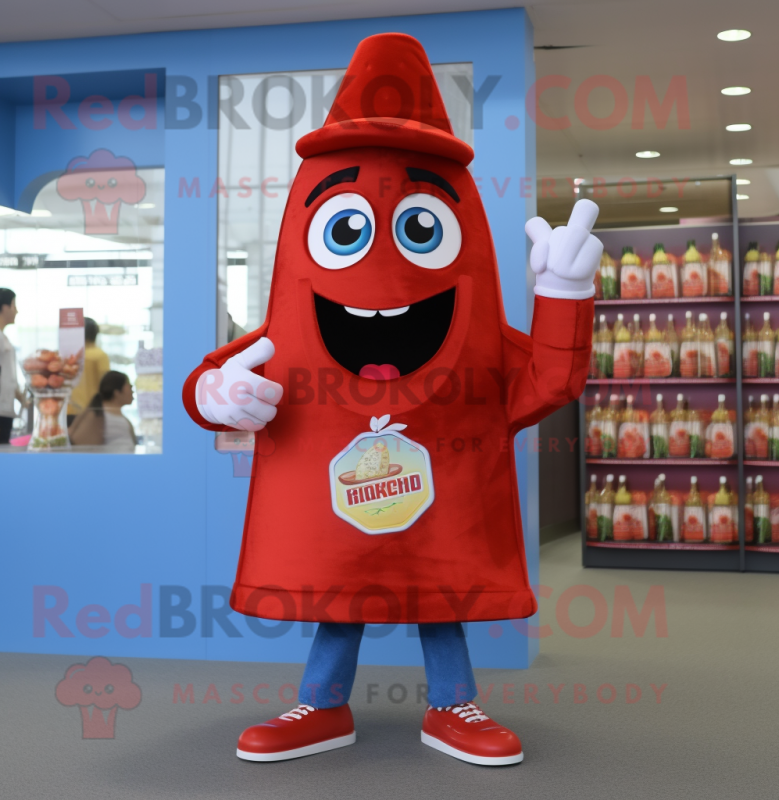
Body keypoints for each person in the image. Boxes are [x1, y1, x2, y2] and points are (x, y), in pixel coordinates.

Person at [182, 34, 599, 767]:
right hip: (335, 528)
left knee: (440, 600)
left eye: (419, 228)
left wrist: (563, 296)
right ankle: (322, 704)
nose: (379, 267)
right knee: (340, 601)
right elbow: (216, 374)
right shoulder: (288, 336)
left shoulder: (482, 345)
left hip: (442, 521)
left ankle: (451, 705)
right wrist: (217, 393)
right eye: (345, 230)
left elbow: (548, 382)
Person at [0, 288, 30, 446]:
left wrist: (21, 398)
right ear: (4, 307)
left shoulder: (1, 335)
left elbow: (5, 376)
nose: (17, 311)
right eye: (14, 306)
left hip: (4, 408)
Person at [69, 371, 136, 449]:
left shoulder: (116, 416)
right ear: (117, 392)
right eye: (130, 387)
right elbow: (81, 443)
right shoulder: (96, 416)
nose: (132, 391)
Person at [68, 317, 110, 421]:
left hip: (69, 410)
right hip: (92, 411)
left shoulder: (69, 356)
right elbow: (106, 384)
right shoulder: (100, 355)